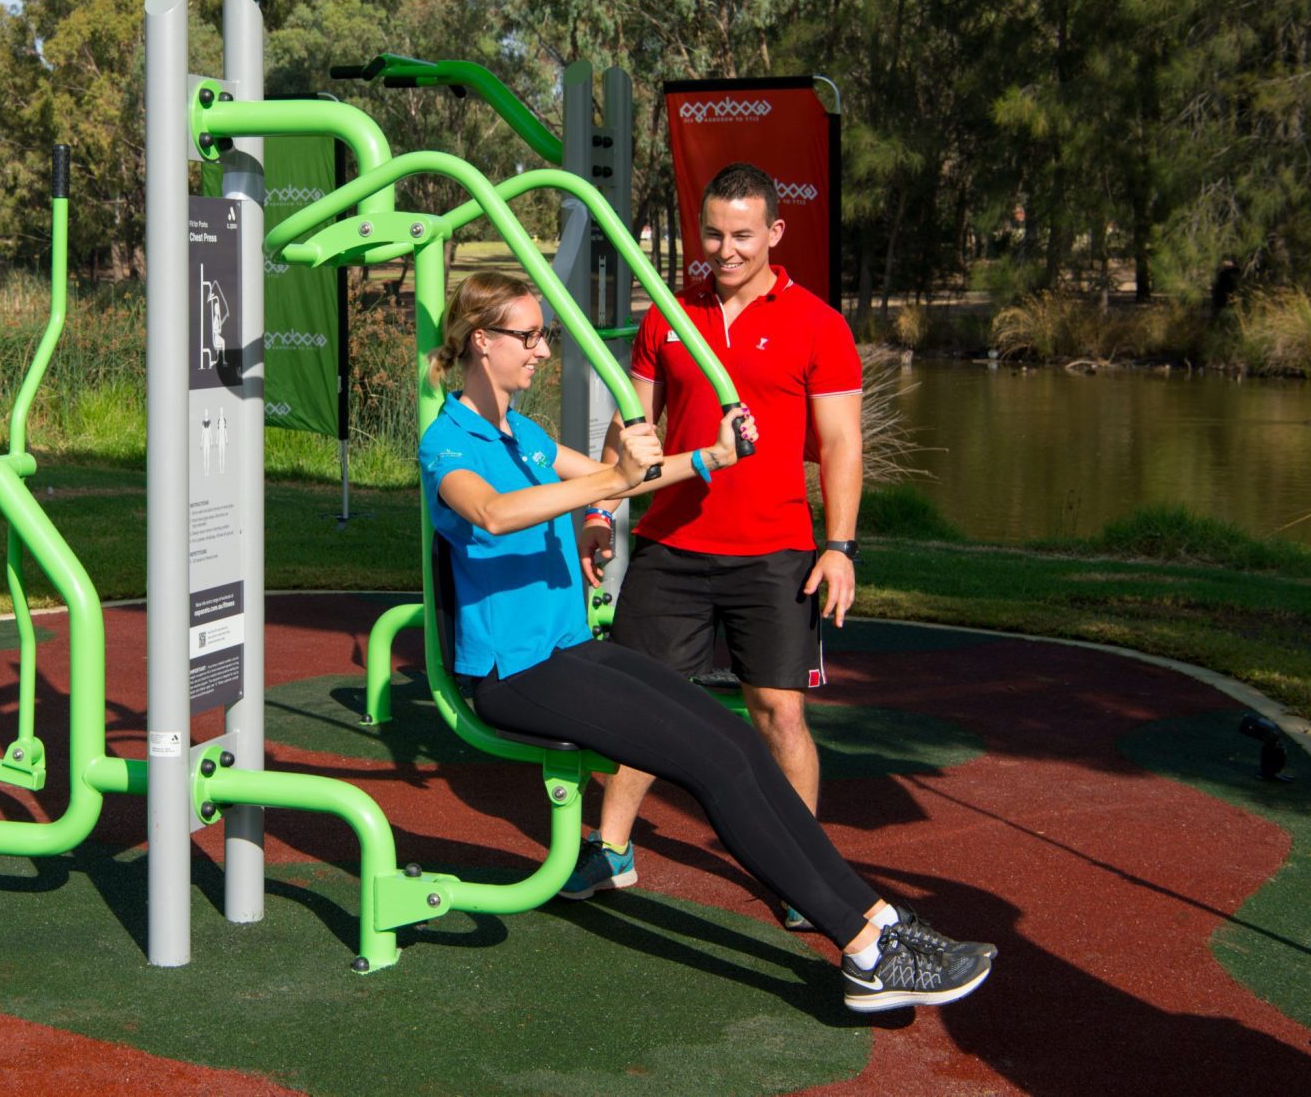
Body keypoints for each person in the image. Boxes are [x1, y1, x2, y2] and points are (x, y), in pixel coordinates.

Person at [418, 269, 993, 1013]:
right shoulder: (447, 443)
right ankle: (864, 949)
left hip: (567, 651)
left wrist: (708, 458)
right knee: (712, 762)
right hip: (515, 672)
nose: (540, 351)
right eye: (528, 336)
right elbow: (494, 513)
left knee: (740, 742)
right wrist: (607, 482)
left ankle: (880, 920)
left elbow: (616, 478)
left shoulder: (519, 432)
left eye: (543, 335)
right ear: (480, 340)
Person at [566, 163, 862, 933]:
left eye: (741, 234)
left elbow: (840, 445)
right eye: (714, 234)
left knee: (780, 714)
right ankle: (612, 848)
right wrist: (600, 508)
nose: (725, 250)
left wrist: (840, 546)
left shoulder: (818, 323)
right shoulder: (668, 314)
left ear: (774, 232)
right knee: (638, 707)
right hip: (671, 544)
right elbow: (631, 431)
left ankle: (804, 870)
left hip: (776, 552)